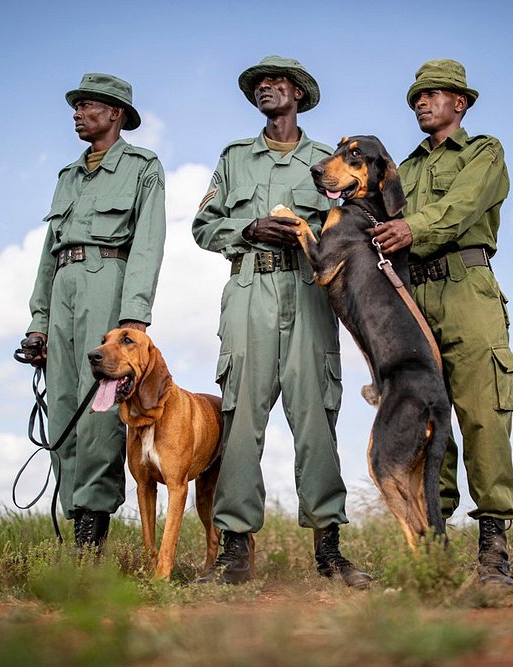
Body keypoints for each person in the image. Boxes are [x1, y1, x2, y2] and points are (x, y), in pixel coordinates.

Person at [192, 55, 369, 588]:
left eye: (276, 82)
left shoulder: (327, 160)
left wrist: (306, 236)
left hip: (311, 290)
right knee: (241, 418)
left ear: (298, 94)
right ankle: (235, 554)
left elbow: (357, 221)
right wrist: (248, 229)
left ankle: (330, 553)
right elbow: (204, 226)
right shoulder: (234, 158)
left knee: (316, 416)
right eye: (258, 84)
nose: (266, 88)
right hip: (248, 289)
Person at [368, 59, 513, 586]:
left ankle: (494, 554)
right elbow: (371, 217)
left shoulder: (486, 152)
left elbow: (460, 208)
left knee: (482, 414)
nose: (421, 104)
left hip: (468, 289)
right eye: (415, 98)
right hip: (410, 297)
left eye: (433, 95)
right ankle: (433, 550)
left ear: (461, 103)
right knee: (427, 424)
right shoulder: (401, 170)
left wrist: (408, 227)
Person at [23, 73, 166, 550]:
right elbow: (48, 253)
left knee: (100, 411)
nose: (78, 114)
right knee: (63, 406)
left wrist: (133, 318)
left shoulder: (143, 167)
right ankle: (76, 516)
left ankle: (92, 530)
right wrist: (38, 323)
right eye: (76, 107)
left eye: (88, 106)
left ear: (115, 114)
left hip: (109, 284)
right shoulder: (67, 177)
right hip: (62, 286)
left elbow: (147, 243)